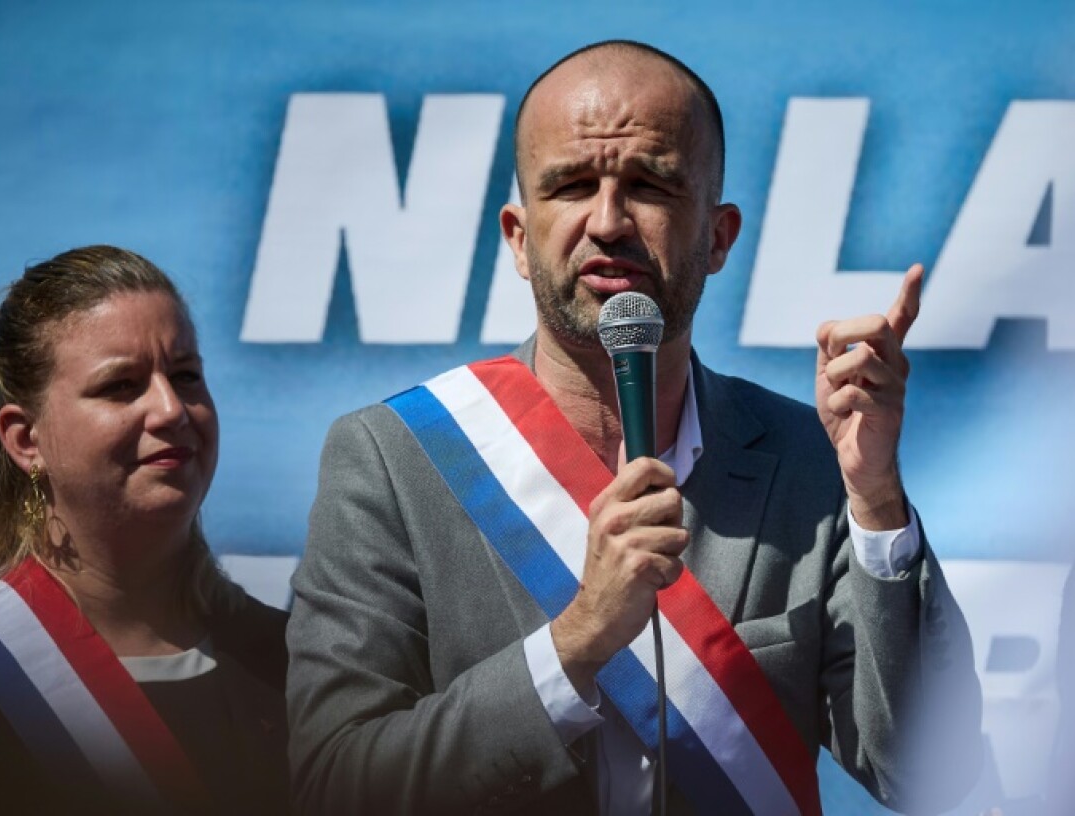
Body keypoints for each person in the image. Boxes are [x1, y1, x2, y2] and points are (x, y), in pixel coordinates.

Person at [286, 40, 983, 816]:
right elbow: (336, 783)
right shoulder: (393, 460)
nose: (608, 221)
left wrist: (877, 499)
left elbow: (929, 776)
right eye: (573, 185)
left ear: (718, 237)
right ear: (519, 237)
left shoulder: (810, 463)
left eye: (649, 185)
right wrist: (575, 641)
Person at [0, 246, 290, 814]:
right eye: (121, 386)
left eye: (186, 376)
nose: (171, 409)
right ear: (25, 439)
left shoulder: (294, 663)